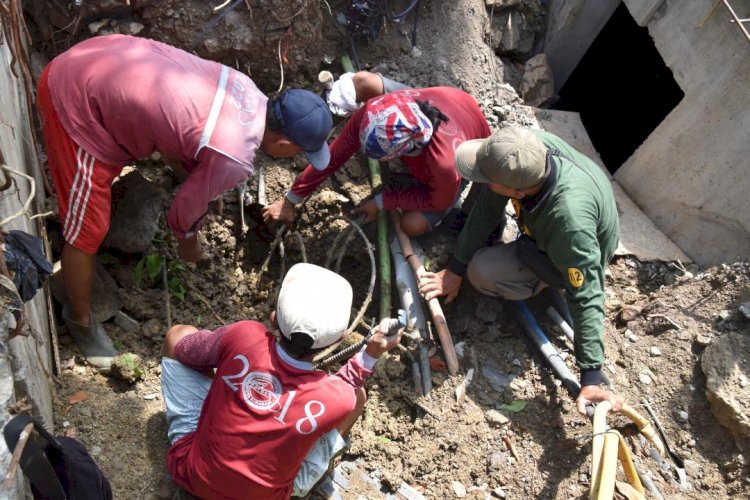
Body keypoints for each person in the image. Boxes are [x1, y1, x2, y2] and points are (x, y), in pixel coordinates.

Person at [36, 34, 333, 370]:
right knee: (88, 230)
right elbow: (182, 215)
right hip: (75, 100)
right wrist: (188, 246)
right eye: (300, 151)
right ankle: (80, 319)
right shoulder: (234, 156)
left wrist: (203, 180)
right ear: (282, 142)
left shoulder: (246, 88)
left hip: (98, 55)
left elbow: (186, 129)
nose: (296, 158)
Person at [419, 126, 622, 415]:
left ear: (519, 190)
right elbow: (487, 207)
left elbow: (587, 293)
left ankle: (534, 285)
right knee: (485, 185)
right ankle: (499, 244)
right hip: (557, 225)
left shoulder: (569, 224)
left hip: (569, 254)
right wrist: (454, 268)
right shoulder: (524, 149)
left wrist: (590, 376)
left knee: (483, 271)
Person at [160, 263, 403, 499]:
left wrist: (234, 383)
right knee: (357, 398)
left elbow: (186, 351)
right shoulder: (335, 398)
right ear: (340, 339)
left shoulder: (244, 336)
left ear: (274, 318)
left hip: (194, 476)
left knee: (177, 336)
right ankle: (311, 478)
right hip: (266, 496)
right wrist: (370, 354)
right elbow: (351, 382)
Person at [263, 71, 491, 236]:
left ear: (401, 153)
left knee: (411, 225)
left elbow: (436, 199)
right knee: (364, 82)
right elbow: (334, 156)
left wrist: (382, 202)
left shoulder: (445, 165)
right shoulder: (376, 110)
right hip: (440, 103)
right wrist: (291, 198)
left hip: (469, 145)